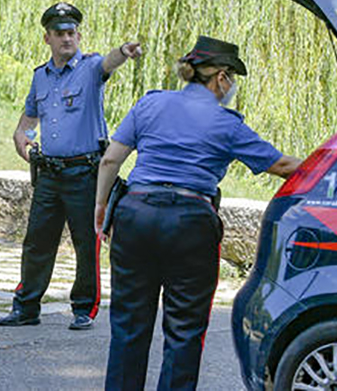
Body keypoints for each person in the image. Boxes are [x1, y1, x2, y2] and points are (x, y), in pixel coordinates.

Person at [94, 36, 301, 390]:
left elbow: (111, 158)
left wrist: (100, 208)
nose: (232, 86)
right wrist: (334, 164)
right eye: (232, 78)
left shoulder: (150, 104)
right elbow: (282, 165)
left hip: (136, 215)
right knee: (185, 329)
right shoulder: (227, 124)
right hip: (190, 224)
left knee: (129, 324)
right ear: (220, 77)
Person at [0, 2, 142, 330]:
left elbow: (109, 63)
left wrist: (123, 51)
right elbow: (28, 123)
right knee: (36, 241)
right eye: (59, 33)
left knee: (85, 242)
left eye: (71, 32)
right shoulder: (40, 77)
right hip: (49, 173)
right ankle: (27, 307)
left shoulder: (89, 69)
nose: (66, 38)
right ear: (47, 38)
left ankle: (83, 308)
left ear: (79, 35)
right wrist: (24, 142)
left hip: (83, 172)